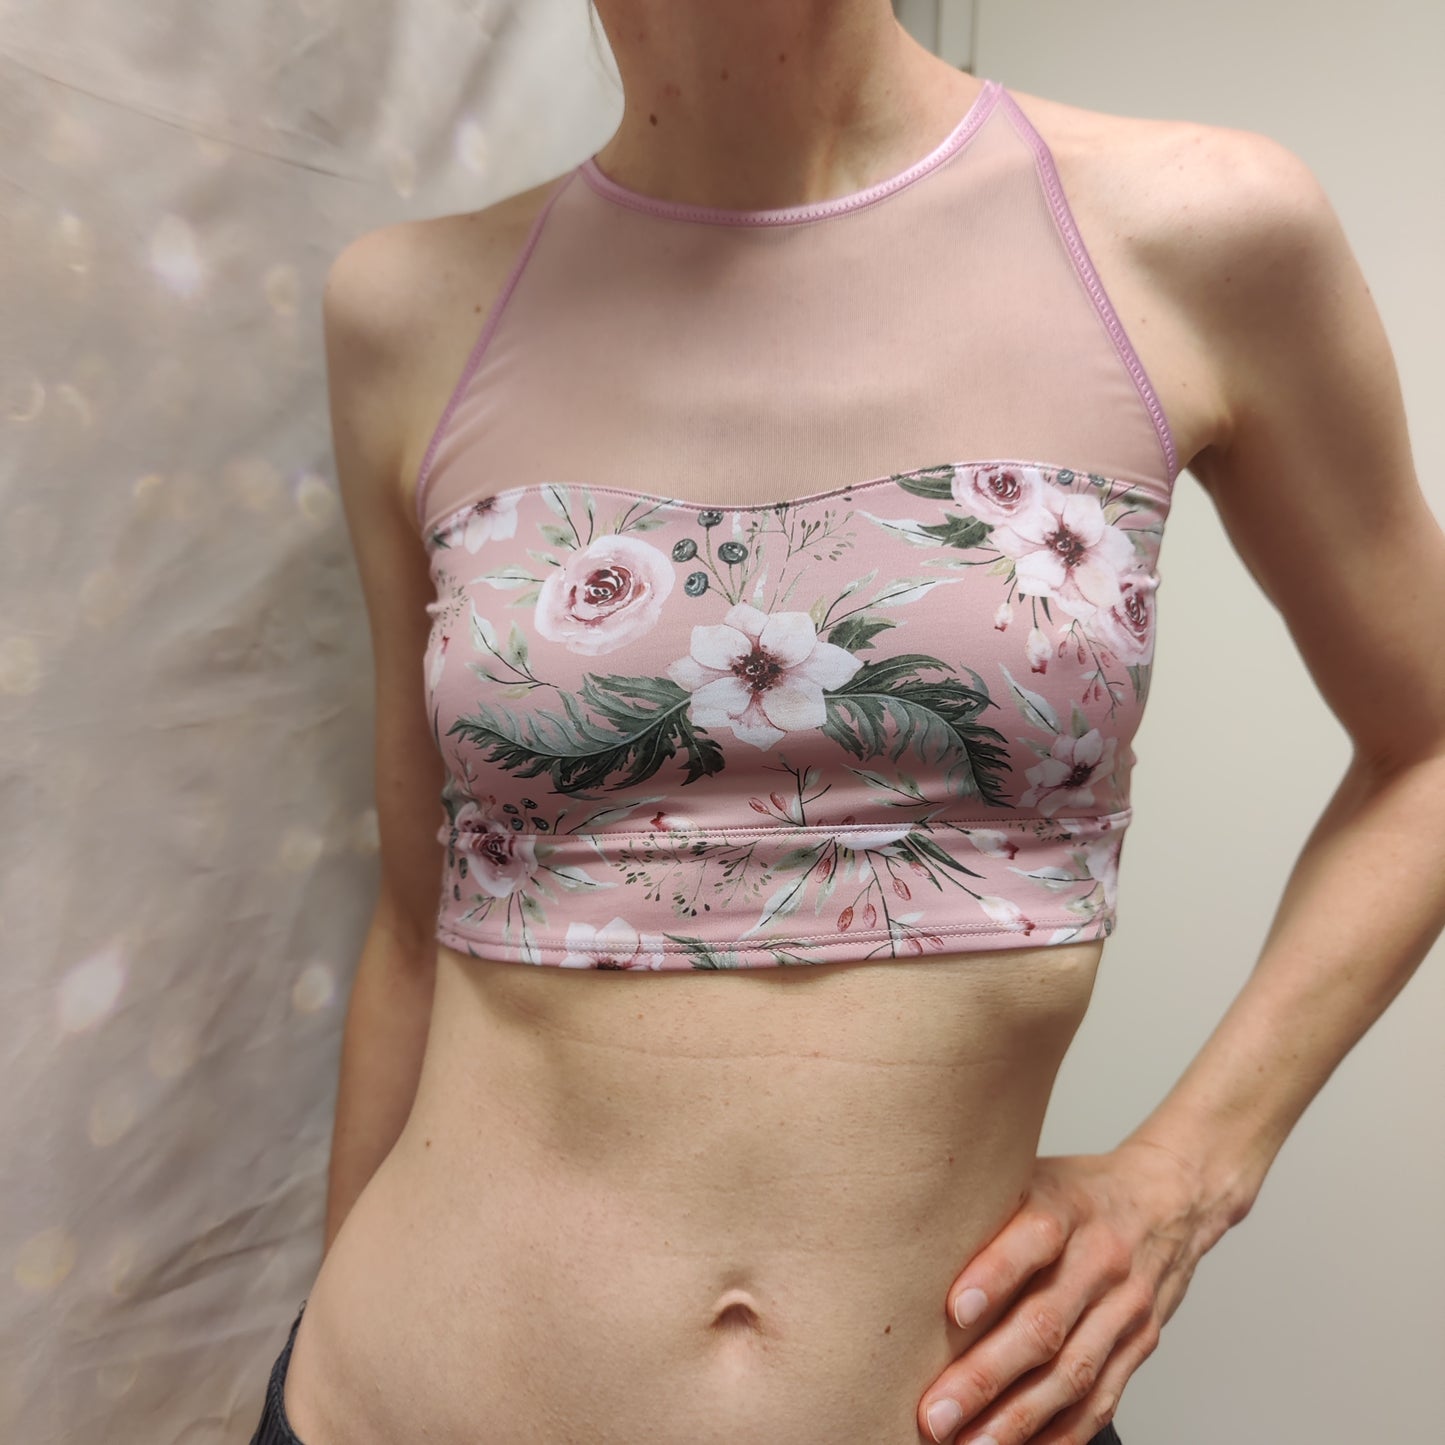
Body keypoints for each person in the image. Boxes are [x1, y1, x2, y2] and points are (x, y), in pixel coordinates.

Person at [247, 3, 1445, 1443]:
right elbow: (414, 921)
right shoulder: (408, 308)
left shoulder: (1189, 229)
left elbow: (1431, 747)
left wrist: (1190, 1173)